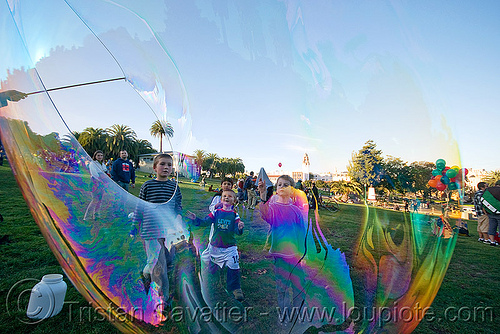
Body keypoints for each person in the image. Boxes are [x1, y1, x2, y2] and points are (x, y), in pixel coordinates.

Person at [131, 153, 182, 306]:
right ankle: (160, 300)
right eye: (162, 164)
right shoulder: (147, 185)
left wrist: (179, 215)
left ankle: (148, 272)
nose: (166, 167)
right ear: (154, 168)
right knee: (159, 268)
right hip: (151, 231)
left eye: (169, 165)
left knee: (165, 262)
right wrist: (134, 227)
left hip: (168, 233)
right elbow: (139, 207)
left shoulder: (174, 187)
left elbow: (178, 205)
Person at [257, 175, 308, 321]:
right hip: (280, 257)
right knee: (282, 288)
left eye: (286, 184)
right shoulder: (273, 208)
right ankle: (285, 314)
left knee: (299, 286)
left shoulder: (296, 211)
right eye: (279, 184)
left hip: (296, 257)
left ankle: (298, 313)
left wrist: (304, 255)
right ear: (276, 189)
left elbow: (301, 234)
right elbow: (265, 214)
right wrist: (262, 195)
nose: (282, 187)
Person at [186, 189, 245, 301]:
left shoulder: (234, 215)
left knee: (234, 265)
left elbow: (237, 231)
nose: (227, 198)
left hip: (230, 247)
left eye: (230, 196)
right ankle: (208, 280)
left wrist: (240, 228)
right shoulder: (216, 213)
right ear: (221, 199)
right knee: (213, 268)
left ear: (234, 200)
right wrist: (195, 219)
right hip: (216, 247)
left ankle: (235, 288)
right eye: (224, 196)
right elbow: (205, 222)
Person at [84, 150, 110, 220]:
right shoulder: (92, 164)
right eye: (98, 155)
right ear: (95, 156)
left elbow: (105, 172)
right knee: (95, 200)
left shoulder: (103, 164)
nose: (100, 157)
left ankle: (96, 214)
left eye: (101, 155)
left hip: (102, 184)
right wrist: (101, 180)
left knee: (100, 200)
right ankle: (87, 216)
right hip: (95, 184)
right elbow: (94, 174)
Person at [481, 180, 500, 246]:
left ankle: (492, 241)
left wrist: (485, 210)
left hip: (490, 212)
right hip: (499, 212)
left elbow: (482, 201)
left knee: (492, 227)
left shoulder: (488, 190)